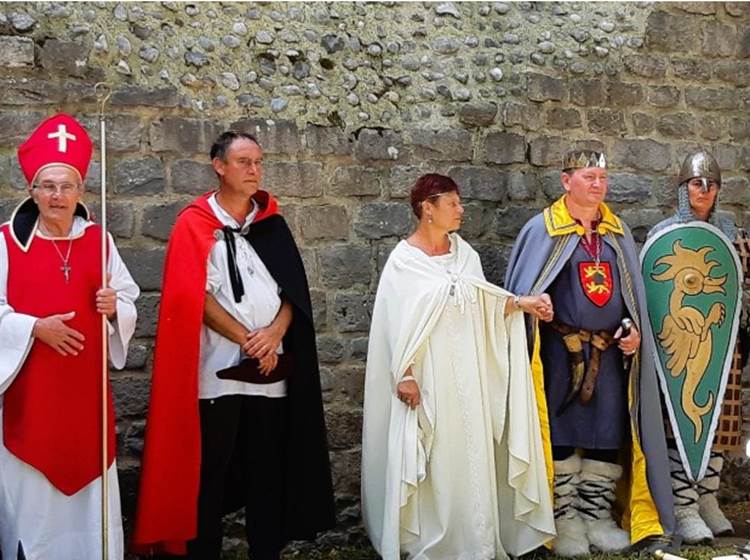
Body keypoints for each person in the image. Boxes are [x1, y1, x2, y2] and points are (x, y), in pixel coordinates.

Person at [133, 131, 335, 559]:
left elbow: (292, 293)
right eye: (243, 161)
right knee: (210, 479)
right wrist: (248, 339)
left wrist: (276, 334)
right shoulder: (194, 223)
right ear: (219, 166)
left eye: (258, 162)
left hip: (269, 375)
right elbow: (193, 299)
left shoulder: (271, 224)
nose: (254, 170)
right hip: (216, 377)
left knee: (268, 476)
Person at [362, 173, 556, 560]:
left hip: (469, 376)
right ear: (427, 209)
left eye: (458, 202)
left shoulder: (465, 254)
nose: (460, 209)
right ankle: (431, 545)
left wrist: (523, 304)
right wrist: (406, 374)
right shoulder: (404, 263)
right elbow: (391, 327)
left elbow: (484, 304)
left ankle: (477, 542)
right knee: (435, 461)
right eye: (452, 203)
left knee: (472, 455)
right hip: (429, 380)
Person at [505, 150, 676, 556]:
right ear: (567, 182)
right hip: (558, 352)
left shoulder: (617, 233)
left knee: (606, 430)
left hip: (609, 353)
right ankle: (562, 521)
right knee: (560, 432)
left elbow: (631, 295)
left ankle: (596, 517)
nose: (597, 184)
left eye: (601, 176)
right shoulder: (542, 231)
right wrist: (535, 305)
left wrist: (633, 330)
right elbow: (521, 290)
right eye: (588, 176)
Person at [0, 113, 139, 559]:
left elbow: (129, 294)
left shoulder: (100, 241)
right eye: (47, 186)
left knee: (89, 511)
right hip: (31, 397)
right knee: (34, 503)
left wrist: (116, 306)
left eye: (66, 186)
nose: (57, 196)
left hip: (87, 400)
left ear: (81, 191)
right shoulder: (5, 242)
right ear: (32, 191)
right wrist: (34, 328)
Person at [647, 150, 749, 544]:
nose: (703, 190)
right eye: (696, 183)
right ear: (682, 188)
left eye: (710, 185)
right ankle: (684, 505)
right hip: (681, 348)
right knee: (681, 421)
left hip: (726, 349)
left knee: (721, 426)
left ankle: (708, 500)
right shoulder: (665, 236)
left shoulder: (735, 236)